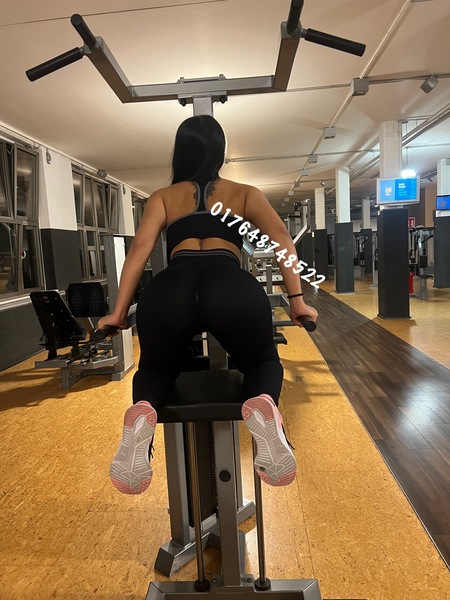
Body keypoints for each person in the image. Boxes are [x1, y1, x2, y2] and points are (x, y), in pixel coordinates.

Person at [98, 115, 318, 495]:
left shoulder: (163, 197)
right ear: (221, 153)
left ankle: (144, 411)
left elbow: (139, 250)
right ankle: (264, 402)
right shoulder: (244, 193)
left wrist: (117, 312)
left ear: (179, 152)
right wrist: (297, 301)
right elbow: (281, 238)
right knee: (261, 361)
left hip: (171, 287)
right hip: (230, 284)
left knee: (156, 367)